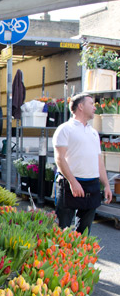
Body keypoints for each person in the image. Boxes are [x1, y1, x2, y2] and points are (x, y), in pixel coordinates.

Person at [53, 92, 112, 234]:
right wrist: (73, 182)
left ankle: (79, 256)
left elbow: (99, 161)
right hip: (70, 185)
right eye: (91, 104)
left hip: (91, 186)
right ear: (80, 106)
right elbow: (59, 158)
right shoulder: (65, 129)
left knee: (84, 232)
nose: (94, 107)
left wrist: (107, 185)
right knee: (62, 230)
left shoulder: (93, 133)